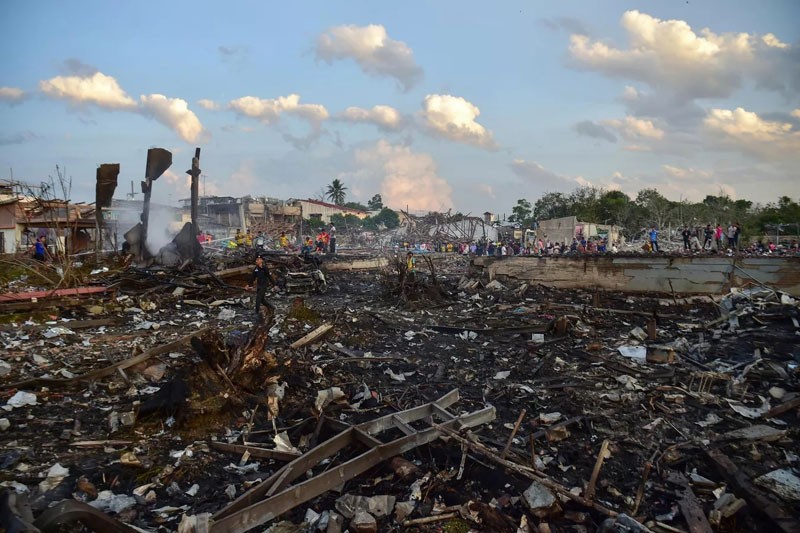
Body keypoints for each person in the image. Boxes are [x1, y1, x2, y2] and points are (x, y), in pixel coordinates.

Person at [245, 255, 273, 320]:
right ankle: (271, 307)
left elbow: (269, 276)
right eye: (256, 260)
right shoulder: (256, 269)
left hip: (264, 285)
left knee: (258, 299)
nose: (256, 261)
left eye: (258, 260)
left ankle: (256, 313)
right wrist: (248, 285)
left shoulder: (265, 268)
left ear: (261, 260)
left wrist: (274, 284)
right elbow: (253, 277)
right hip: (259, 285)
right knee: (262, 300)